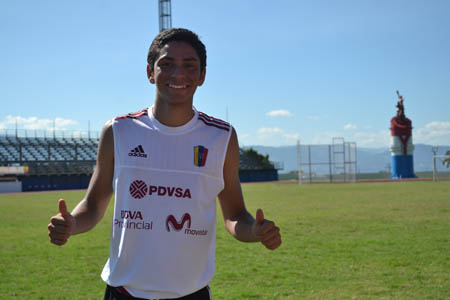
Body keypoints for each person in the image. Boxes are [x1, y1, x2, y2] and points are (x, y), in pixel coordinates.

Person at [48, 28, 282, 300]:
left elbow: (234, 215)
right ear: (150, 72)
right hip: (124, 292)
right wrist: (72, 224)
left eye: (189, 66)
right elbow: (93, 204)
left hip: (191, 294)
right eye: (166, 64)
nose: (178, 74)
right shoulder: (119, 131)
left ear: (202, 76)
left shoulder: (221, 137)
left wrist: (254, 231)